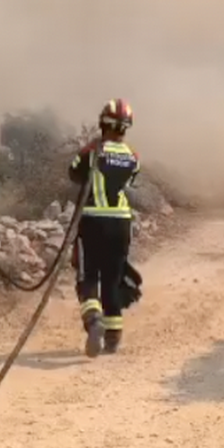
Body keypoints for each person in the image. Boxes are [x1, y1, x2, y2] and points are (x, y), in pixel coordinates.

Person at [68, 98, 140, 358]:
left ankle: (94, 322)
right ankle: (113, 337)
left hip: (93, 222)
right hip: (121, 223)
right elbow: (130, 178)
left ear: (102, 123)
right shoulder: (133, 157)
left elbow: (73, 172)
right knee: (112, 279)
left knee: (88, 276)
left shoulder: (91, 152)